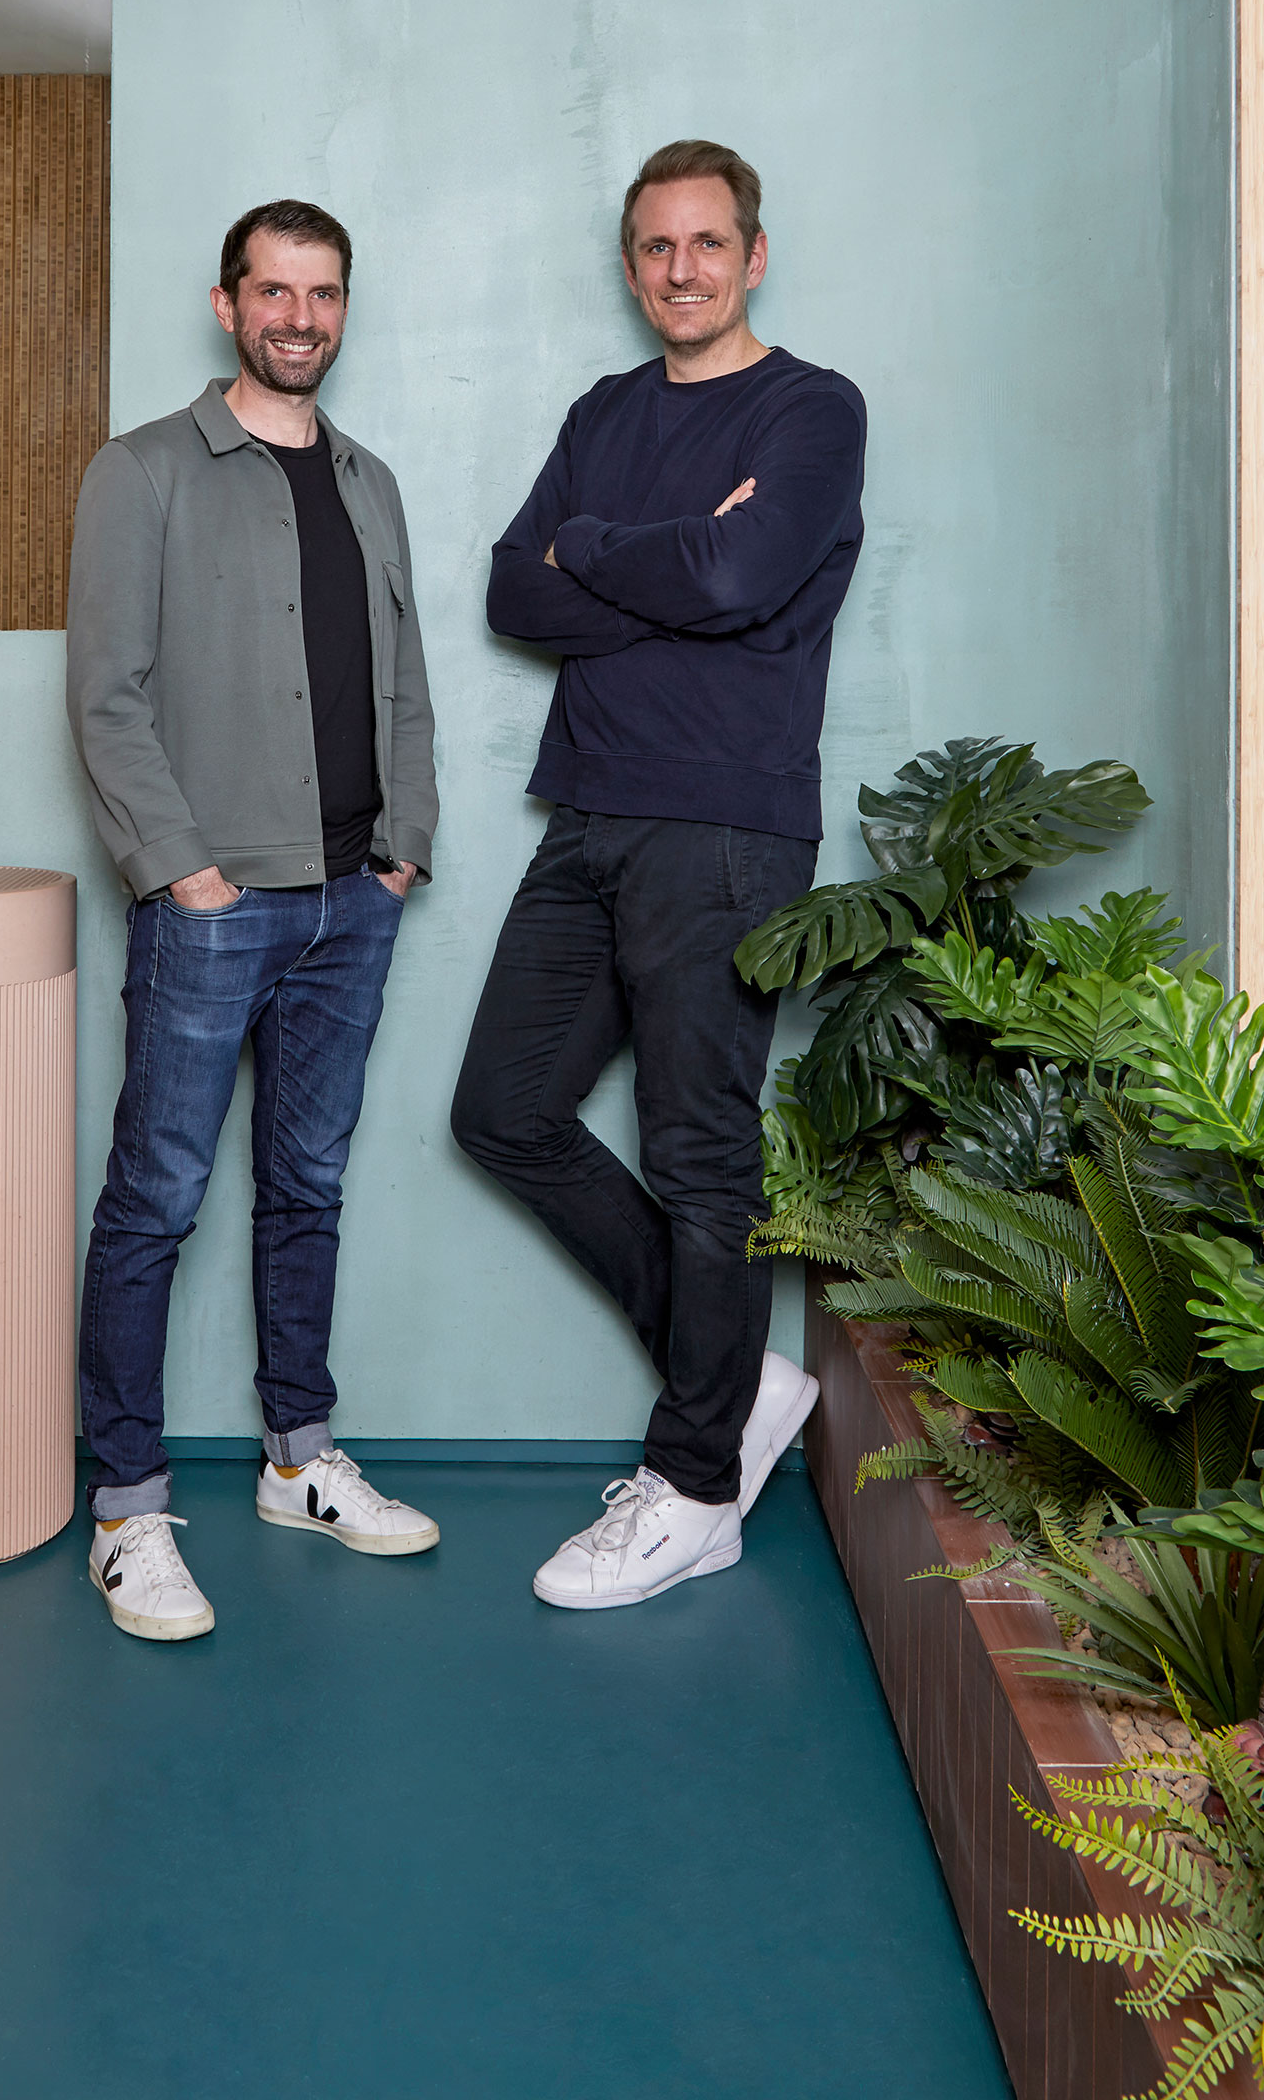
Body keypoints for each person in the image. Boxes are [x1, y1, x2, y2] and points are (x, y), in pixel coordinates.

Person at [451, 139, 866, 1610]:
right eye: (654, 247)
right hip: (588, 815)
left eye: (706, 243)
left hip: (727, 827)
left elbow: (743, 578)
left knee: (699, 1152)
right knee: (503, 1110)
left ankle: (696, 1487)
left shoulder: (812, 409)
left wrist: (600, 553)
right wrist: (674, 564)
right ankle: (735, 1385)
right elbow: (515, 591)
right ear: (631, 266)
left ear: (753, 253)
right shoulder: (604, 413)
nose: (680, 270)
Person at [66, 198, 441, 1643]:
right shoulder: (144, 472)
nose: (300, 317)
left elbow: (405, 680)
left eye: (323, 293)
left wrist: (403, 850)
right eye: (274, 292)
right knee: (156, 1200)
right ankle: (128, 1510)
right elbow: (106, 696)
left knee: (308, 1187)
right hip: (215, 906)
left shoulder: (369, 481)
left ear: (343, 309)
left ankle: (299, 1458)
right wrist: (183, 872)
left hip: (355, 899)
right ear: (228, 305)